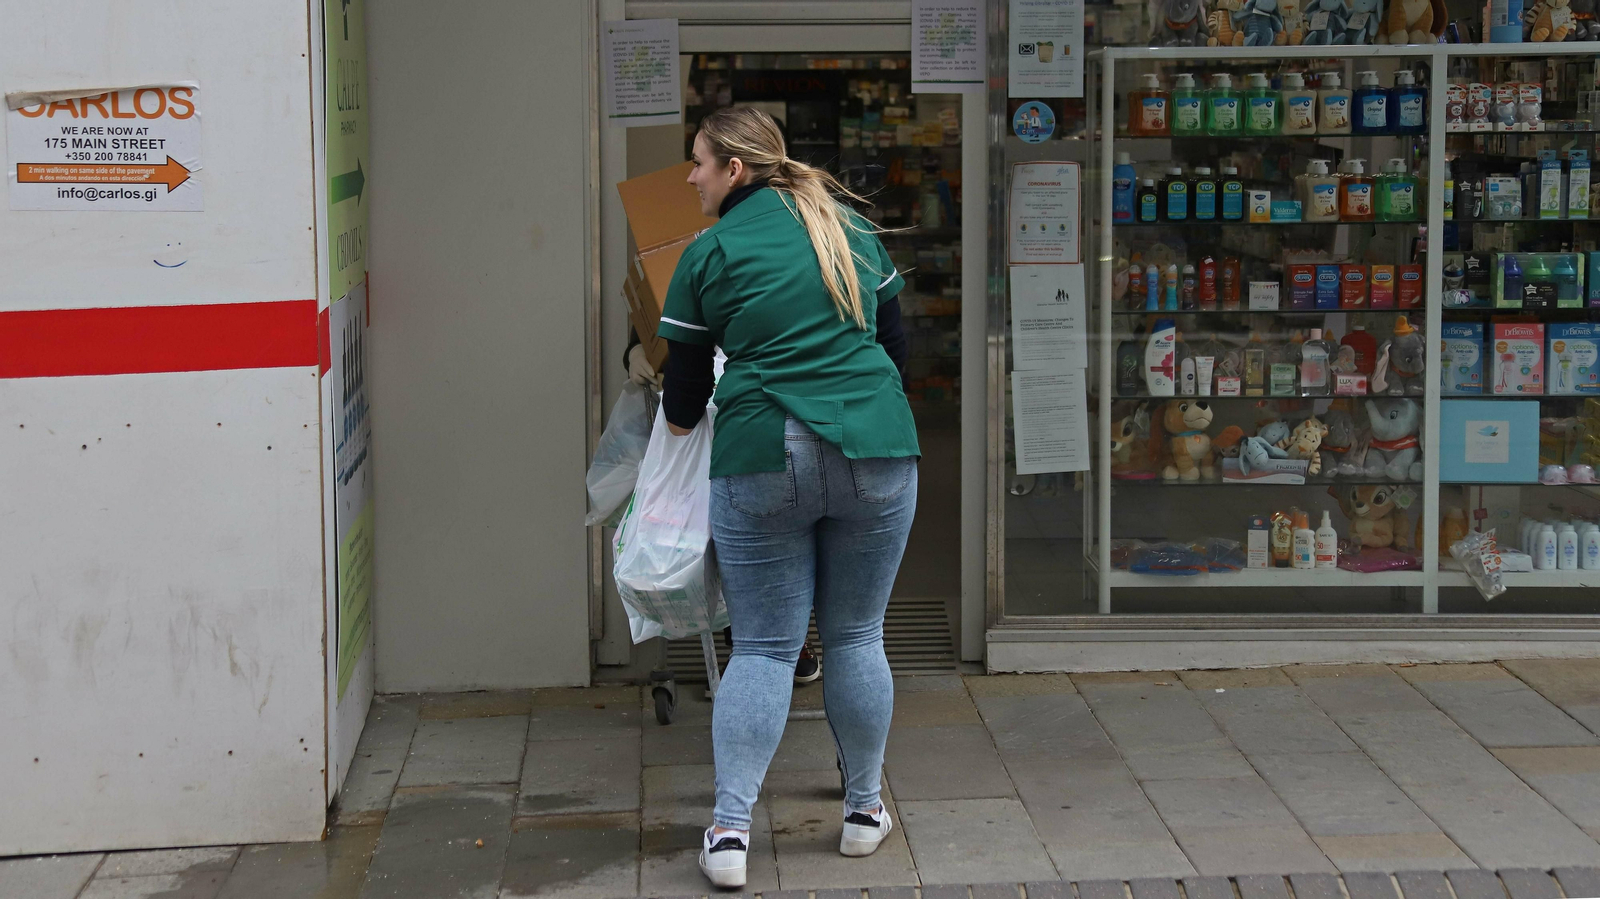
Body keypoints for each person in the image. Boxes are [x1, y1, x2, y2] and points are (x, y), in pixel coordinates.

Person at [654, 106, 918, 889]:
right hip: (876, 445)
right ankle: (865, 813)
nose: (692, 177)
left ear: (734, 169)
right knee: (858, 635)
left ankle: (731, 831)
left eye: (698, 163)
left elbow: (680, 401)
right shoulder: (854, 234)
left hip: (763, 451)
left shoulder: (708, 253)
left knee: (767, 647)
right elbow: (896, 351)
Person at [623, 336, 822, 685]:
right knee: (733, 529)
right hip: (717, 402)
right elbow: (656, 307)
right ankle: (755, 644)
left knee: (777, 524)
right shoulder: (696, 282)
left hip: (757, 402)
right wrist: (637, 350)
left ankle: (775, 639)